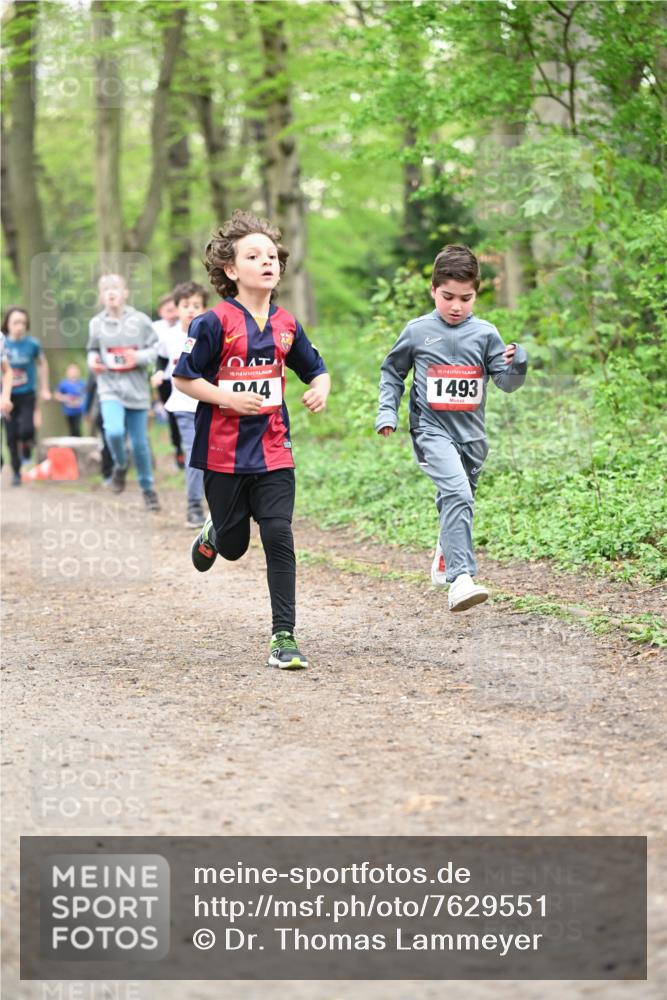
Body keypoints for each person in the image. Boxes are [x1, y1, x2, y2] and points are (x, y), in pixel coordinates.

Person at [172, 209, 330, 669]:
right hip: (222, 453)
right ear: (230, 269)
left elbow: (315, 368)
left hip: (274, 449)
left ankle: (284, 636)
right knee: (236, 545)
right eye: (253, 255)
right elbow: (184, 379)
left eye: (272, 256)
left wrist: (319, 387)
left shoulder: (286, 324)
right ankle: (216, 529)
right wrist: (226, 397)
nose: (267, 262)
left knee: (279, 534)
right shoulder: (212, 323)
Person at [376, 244, 528, 612]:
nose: (457, 306)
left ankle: (446, 553)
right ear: (433, 291)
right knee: (458, 493)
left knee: (459, 497)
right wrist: (387, 413)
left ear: (477, 293)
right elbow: (392, 373)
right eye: (447, 297)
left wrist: (518, 362)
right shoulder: (418, 331)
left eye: (466, 298)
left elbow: (505, 383)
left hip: (473, 437)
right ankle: (461, 579)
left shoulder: (486, 334)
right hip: (431, 431)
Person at [86, 273, 161, 510]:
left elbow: (155, 348)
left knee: (139, 445)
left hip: (137, 390)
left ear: (125, 293)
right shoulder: (96, 323)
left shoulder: (140, 321)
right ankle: (120, 464)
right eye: (106, 289)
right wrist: (93, 362)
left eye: (115, 288)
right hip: (109, 387)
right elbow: (91, 350)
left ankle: (148, 489)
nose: (111, 292)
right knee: (114, 432)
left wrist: (136, 357)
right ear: (101, 297)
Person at [151, 281, 208, 527]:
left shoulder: (211, 335)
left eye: (197, 305)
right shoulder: (169, 337)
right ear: (176, 308)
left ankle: (222, 506)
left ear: (205, 309)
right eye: (186, 305)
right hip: (183, 406)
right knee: (194, 453)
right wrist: (157, 374)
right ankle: (194, 506)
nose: (191, 310)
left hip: (212, 404)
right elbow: (162, 360)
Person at [1, 306, 51, 486]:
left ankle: (27, 445)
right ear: (7, 323)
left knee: (27, 430)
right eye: (15, 322)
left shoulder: (33, 344)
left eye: (23, 322)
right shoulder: (3, 343)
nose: (19, 326)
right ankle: (16, 472)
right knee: (11, 436)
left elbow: (42, 364)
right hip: (7, 396)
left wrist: (45, 388)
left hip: (27, 393)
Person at [152, 292, 184, 469]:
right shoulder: (155, 328)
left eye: (174, 310)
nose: (172, 314)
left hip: (182, 376)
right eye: (168, 310)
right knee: (172, 413)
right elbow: (154, 353)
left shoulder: (185, 326)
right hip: (163, 379)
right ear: (160, 312)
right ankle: (178, 447)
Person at [54, 362, 86, 436]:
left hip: (79, 410)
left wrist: (80, 401)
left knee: (76, 427)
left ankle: (79, 441)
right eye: (71, 371)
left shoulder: (82, 383)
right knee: (71, 428)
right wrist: (64, 398)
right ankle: (73, 443)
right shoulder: (64, 384)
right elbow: (56, 395)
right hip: (68, 411)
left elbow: (86, 395)